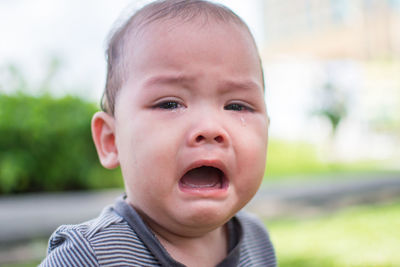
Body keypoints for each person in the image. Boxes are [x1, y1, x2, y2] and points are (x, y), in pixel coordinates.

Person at [40, 0, 276, 266]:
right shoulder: (90, 256)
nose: (210, 128)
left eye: (236, 106)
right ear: (111, 141)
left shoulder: (257, 241)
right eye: (170, 104)